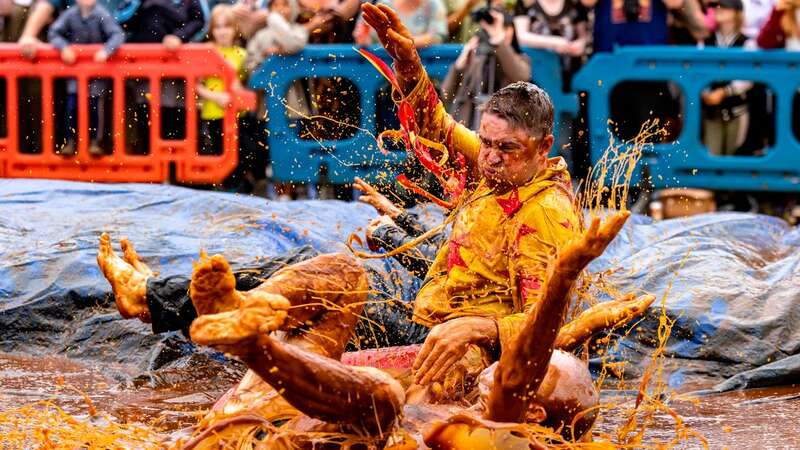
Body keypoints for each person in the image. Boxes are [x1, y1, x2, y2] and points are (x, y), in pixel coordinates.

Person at [123, 0, 206, 154]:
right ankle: (149, 165)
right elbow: (123, 21)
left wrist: (179, 36)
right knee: (146, 117)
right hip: (144, 69)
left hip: (175, 70)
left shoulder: (190, 3)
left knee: (173, 119)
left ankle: (173, 168)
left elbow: (199, 20)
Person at [47, 0, 124, 156]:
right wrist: (64, 47)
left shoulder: (102, 14)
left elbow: (117, 35)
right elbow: (54, 33)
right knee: (72, 105)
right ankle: (71, 141)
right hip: (75, 70)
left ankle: (95, 141)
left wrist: (106, 50)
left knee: (94, 106)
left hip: (96, 71)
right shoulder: (71, 14)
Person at [442, 8, 532, 129]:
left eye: (503, 28)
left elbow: (521, 76)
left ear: (511, 30)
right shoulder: (475, 59)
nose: (492, 32)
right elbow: (447, 94)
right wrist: (461, 62)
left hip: (503, 129)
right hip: (468, 128)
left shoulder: (520, 59)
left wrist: (498, 41)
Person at [701, 0, 751, 156]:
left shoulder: (747, 43)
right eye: (715, 6)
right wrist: (704, 91)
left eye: (724, 6)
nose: (718, 9)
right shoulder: (706, 41)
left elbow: (748, 78)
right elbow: (697, 71)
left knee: (734, 156)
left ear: (736, 12)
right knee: (711, 155)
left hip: (737, 110)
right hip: (711, 110)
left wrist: (725, 92)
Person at [197, 5, 246, 156]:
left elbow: (244, 84)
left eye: (227, 26)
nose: (223, 32)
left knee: (239, 153)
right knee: (217, 152)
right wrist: (215, 96)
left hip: (237, 113)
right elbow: (195, 84)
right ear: (212, 30)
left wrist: (237, 92)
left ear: (234, 28)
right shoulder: (206, 52)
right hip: (212, 112)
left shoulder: (241, 54)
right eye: (218, 27)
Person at [512, 0, 590, 86]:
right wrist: (554, 42)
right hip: (534, 74)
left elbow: (584, 37)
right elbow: (522, 37)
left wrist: (579, 45)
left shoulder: (575, 3)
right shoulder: (525, 2)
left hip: (568, 76)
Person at [353, 0, 448, 46]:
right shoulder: (384, 4)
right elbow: (368, 38)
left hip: (427, 68)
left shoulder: (434, 5)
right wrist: (363, 39)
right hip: (384, 71)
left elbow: (437, 36)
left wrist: (402, 43)